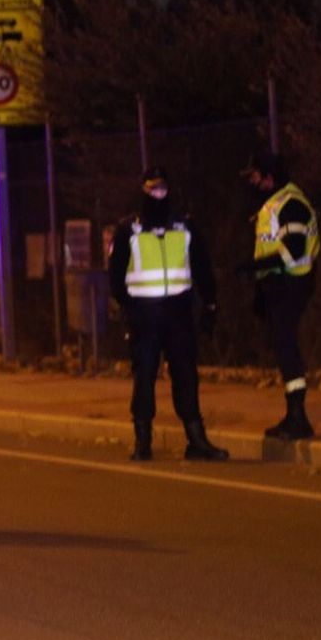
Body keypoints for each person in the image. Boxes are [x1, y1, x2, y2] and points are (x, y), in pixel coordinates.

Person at [105, 167, 229, 462]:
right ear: (143, 192)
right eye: (153, 190)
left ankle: (196, 439)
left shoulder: (184, 227)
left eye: (162, 189)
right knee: (145, 376)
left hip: (178, 313)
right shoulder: (129, 230)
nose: (158, 195)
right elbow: (115, 276)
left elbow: (201, 267)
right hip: (144, 315)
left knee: (186, 375)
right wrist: (128, 307)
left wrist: (210, 304)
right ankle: (142, 440)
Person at [243, 147, 320, 439]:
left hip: (293, 283)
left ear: (269, 177)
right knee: (282, 346)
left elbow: (294, 250)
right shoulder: (273, 204)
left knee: (287, 346)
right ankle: (294, 415)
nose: (252, 182)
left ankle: (298, 417)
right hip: (279, 285)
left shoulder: (291, 203)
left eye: (255, 176)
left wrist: (255, 267)